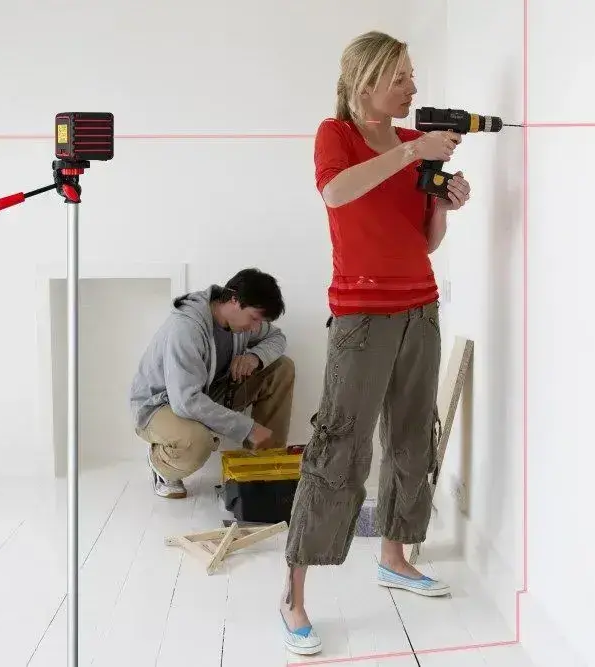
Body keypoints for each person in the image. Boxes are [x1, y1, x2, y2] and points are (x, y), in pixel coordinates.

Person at [277, 31, 472, 655]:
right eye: (401, 78)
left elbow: (425, 241)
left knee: (413, 437)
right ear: (366, 84)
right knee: (340, 445)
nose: (413, 88)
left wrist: (444, 204)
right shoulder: (336, 135)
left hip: (421, 308)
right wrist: (413, 152)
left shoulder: (414, 146)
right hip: (362, 315)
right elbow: (336, 192)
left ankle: (394, 557)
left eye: (412, 76)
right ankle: (294, 596)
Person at [129, 268, 295, 499]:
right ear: (234, 300)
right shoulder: (186, 328)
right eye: (255, 318)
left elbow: (277, 337)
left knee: (281, 367)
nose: (256, 327)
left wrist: (254, 357)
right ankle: (162, 463)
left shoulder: (240, 321)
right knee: (197, 442)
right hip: (161, 405)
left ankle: (264, 468)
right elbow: (186, 402)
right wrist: (247, 428)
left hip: (207, 393)